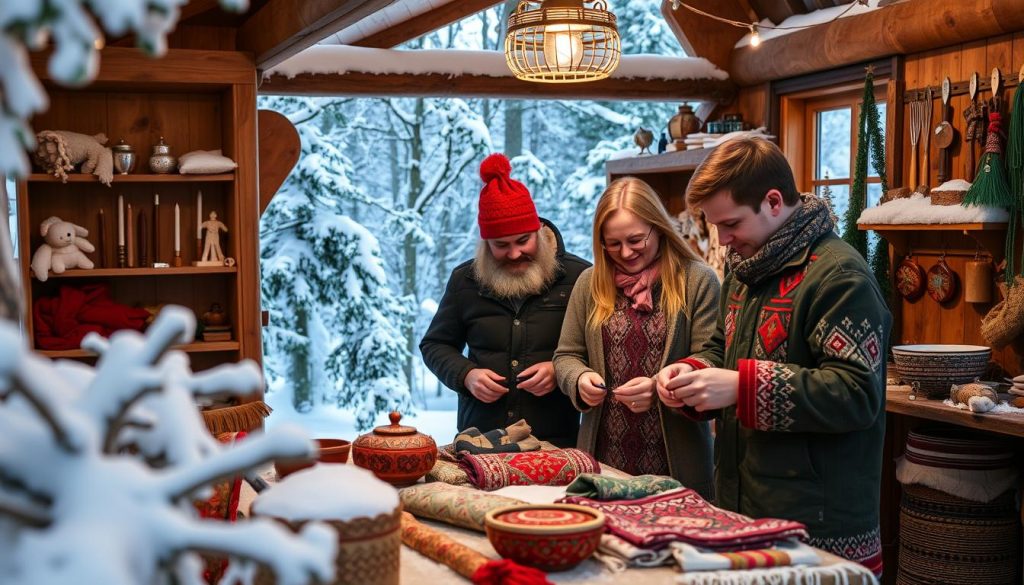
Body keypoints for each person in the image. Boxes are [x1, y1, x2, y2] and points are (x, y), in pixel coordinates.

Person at [655, 137, 891, 576]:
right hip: (744, 506)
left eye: (731, 224)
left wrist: (742, 386)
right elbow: (722, 351)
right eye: (714, 226)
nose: (723, 240)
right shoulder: (746, 272)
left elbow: (857, 394)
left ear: (774, 202)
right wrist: (691, 373)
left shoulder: (840, 276)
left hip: (819, 524)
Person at [553, 177, 718, 499]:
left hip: (675, 462)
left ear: (659, 228)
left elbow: (712, 358)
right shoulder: (590, 283)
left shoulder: (697, 280)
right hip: (602, 457)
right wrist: (580, 378)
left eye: (636, 240)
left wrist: (660, 387)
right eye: (612, 244)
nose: (625, 253)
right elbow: (566, 356)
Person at [420, 153, 589, 447]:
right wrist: (467, 375)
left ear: (537, 230)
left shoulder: (579, 277)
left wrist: (559, 370)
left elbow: (602, 349)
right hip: (480, 441)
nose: (514, 254)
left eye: (523, 240)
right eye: (501, 245)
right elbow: (435, 345)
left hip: (556, 441)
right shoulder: (465, 281)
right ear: (486, 244)